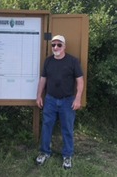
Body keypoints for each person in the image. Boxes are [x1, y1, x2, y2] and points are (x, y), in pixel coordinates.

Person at [35, 35, 84, 169]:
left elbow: (80, 81)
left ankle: (67, 155)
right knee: (46, 127)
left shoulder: (73, 61)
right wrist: (39, 96)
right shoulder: (48, 61)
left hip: (67, 101)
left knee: (67, 128)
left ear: (64, 47)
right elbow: (43, 79)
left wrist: (78, 98)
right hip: (50, 100)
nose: (55, 47)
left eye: (59, 45)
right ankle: (45, 152)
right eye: (53, 45)